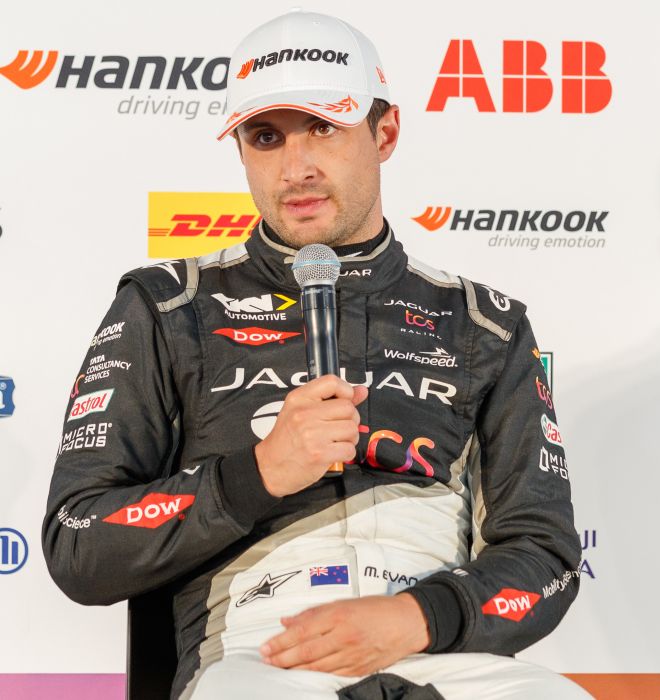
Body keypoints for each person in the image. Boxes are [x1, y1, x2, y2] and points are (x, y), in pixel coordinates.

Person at [42, 9, 589, 700]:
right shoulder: (168, 306)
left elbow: (545, 555)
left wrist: (419, 615)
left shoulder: (485, 323)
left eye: (324, 127)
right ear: (241, 150)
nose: (295, 168)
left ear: (385, 133)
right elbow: (79, 543)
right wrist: (258, 473)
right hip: (257, 654)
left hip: (433, 646)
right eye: (266, 137)